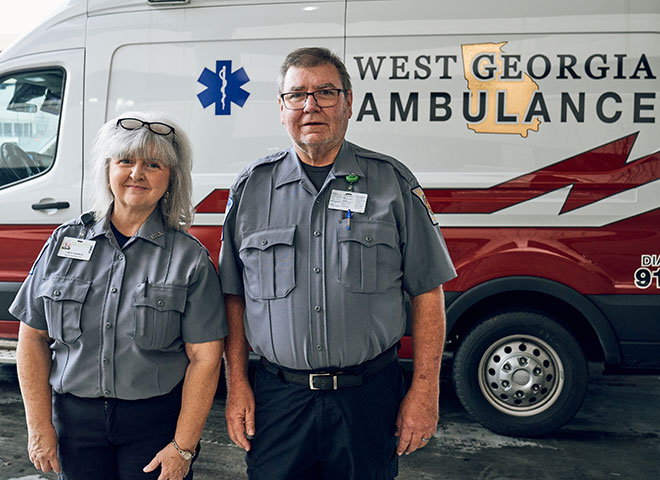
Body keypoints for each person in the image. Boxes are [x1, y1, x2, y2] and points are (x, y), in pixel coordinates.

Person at [219, 47, 457, 479]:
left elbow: (427, 292)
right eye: (297, 95)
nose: (311, 106)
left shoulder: (392, 183)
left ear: (348, 103)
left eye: (325, 92)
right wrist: (236, 385)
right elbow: (234, 297)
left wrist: (425, 392)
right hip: (279, 399)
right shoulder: (252, 189)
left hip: (367, 399)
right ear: (281, 107)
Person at [10, 113, 228, 480]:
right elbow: (31, 338)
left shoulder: (190, 259)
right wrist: (39, 426)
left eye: (153, 164)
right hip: (75, 428)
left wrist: (183, 446)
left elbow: (205, 358)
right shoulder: (64, 242)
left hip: (154, 428)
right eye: (125, 160)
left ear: (171, 178)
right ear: (108, 169)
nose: (136, 173)